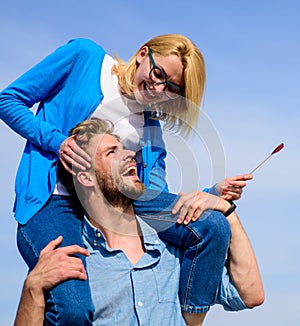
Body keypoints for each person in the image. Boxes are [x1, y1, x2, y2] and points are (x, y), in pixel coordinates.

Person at [0, 35, 252, 325]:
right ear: (143, 54)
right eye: (158, 75)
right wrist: (57, 142)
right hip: (56, 202)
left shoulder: (150, 130)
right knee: (72, 307)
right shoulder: (85, 59)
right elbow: (8, 99)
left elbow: (156, 196)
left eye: (172, 88)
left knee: (211, 224)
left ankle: (187, 320)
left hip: (115, 205)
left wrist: (210, 194)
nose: (159, 89)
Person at [14, 118, 264, 326]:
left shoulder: (174, 246)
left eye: (124, 148)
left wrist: (227, 212)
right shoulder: (69, 262)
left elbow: (251, 294)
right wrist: (32, 289)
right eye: (112, 152)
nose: (130, 155)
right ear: (86, 178)